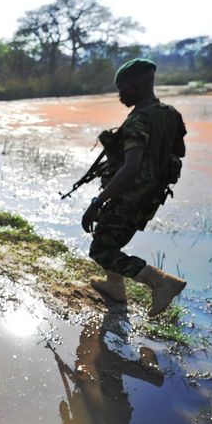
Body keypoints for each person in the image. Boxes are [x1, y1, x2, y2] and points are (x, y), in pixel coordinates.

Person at [81, 58, 187, 317]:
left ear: (138, 85)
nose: (119, 95)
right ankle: (114, 287)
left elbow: (130, 167)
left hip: (131, 195)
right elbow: (180, 151)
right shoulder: (171, 114)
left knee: (101, 250)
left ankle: (160, 281)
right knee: (108, 236)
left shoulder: (139, 120)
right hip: (151, 194)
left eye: (123, 88)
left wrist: (97, 202)